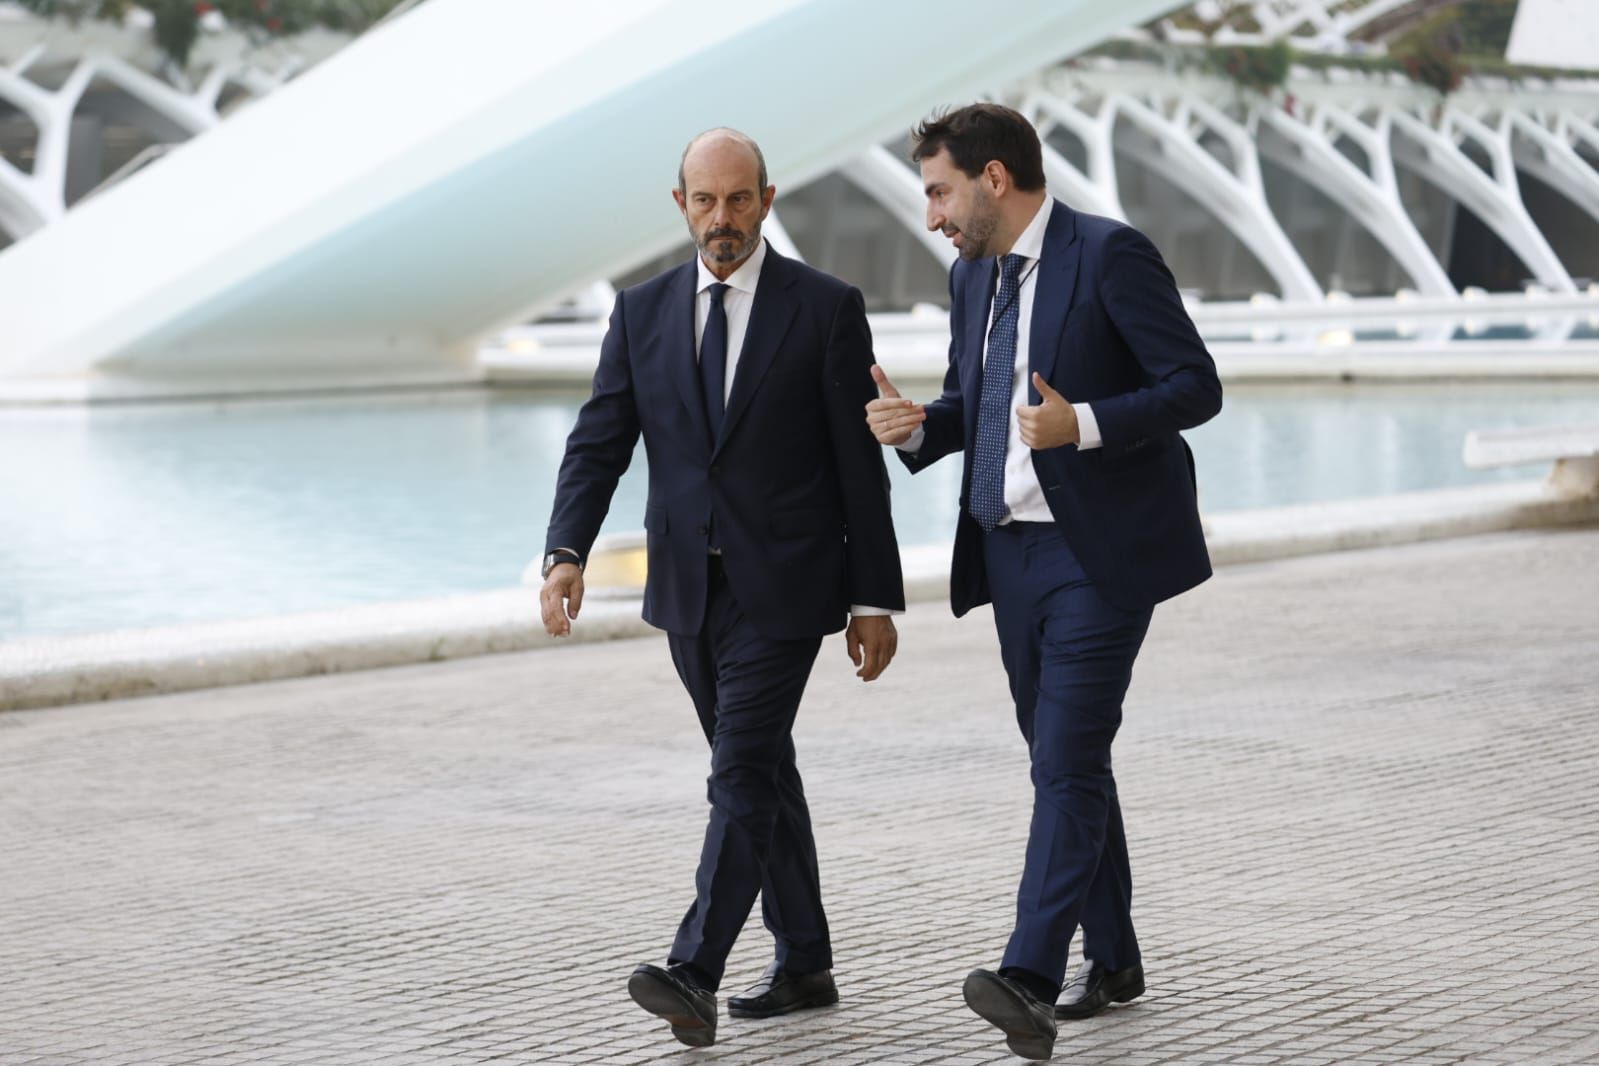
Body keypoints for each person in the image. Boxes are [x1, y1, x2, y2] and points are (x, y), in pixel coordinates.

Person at [866, 103, 1222, 1061]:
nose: (931, 214)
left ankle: (1026, 973)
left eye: (939, 191)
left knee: (1063, 757)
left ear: (991, 178)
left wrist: (1086, 424)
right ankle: (1114, 961)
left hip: (1098, 553)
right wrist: (919, 425)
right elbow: (972, 404)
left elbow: (1195, 386)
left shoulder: (1111, 255)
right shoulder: (968, 274)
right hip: (1008, 554)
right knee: (1066, 761)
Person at [540, 128, 905, 1049]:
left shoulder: (823, 308)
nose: (722, 219)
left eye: (738, 200)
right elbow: (599, 441)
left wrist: (873, 598)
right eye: (705, 201)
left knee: (738, 769)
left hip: (787, 586)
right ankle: (806, 960)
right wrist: (565, 552)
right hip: (686, 593)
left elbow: (855, 463)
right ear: (680, 207)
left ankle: (692, 969)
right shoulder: (642, 312)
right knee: (762, 774)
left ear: (767, 200)